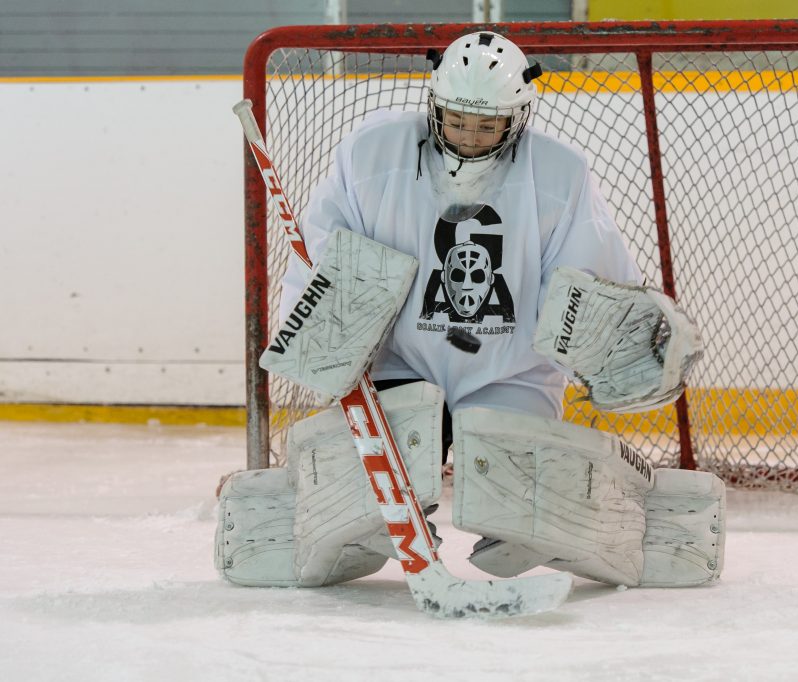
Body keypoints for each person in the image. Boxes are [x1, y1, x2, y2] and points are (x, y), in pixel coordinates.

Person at [217, 31, 724, 591]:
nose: (471, 136)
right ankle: (355, 523)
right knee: (372, 490)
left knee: (516, 505)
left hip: (510, 371)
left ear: (518, 116)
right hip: (397, 364)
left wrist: (633, 338)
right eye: (458, 120)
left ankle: (567, 520)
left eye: (489, 125)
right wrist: (319, 337)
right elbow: (320, 264)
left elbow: (592, 281)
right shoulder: (371, 153)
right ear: (434, 104)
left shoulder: (559, 173)